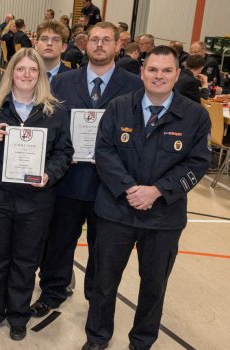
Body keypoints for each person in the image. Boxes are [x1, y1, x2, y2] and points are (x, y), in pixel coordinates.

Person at [82, 45, 212, 350]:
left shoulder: (194, 116)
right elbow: (104, 151)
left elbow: (198, 162)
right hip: (116, 211)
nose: (159, 76)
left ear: (178, 74)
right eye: (152, 69)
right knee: (103, 282)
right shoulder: (118, 107)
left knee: (154, 286)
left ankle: (141, 341)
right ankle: (97, 337)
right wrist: (130, 189)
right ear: (142, 72)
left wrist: (157, 191)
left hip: (163, 218)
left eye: (167, 71)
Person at [31, 22, 143, 318]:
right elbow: (50, 126)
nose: (100, 45)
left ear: (118, 45)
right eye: (94, 39)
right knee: (58, 242)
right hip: (68, 179)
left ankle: (97, 300)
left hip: (110, 184)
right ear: (85, 43)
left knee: (103, 249)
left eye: (107, 40)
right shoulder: (64, 82)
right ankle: (52, 292)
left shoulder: (134, 85)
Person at [0, 48, 73, 341]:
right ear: (10, 73)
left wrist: (49, 174)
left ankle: (18, 316)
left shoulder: (55, 111)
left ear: (40, 75)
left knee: (26, 260)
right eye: (21, 69)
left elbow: (64, 153)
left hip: (35, 200)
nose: (26, 75)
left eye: (33, 70)